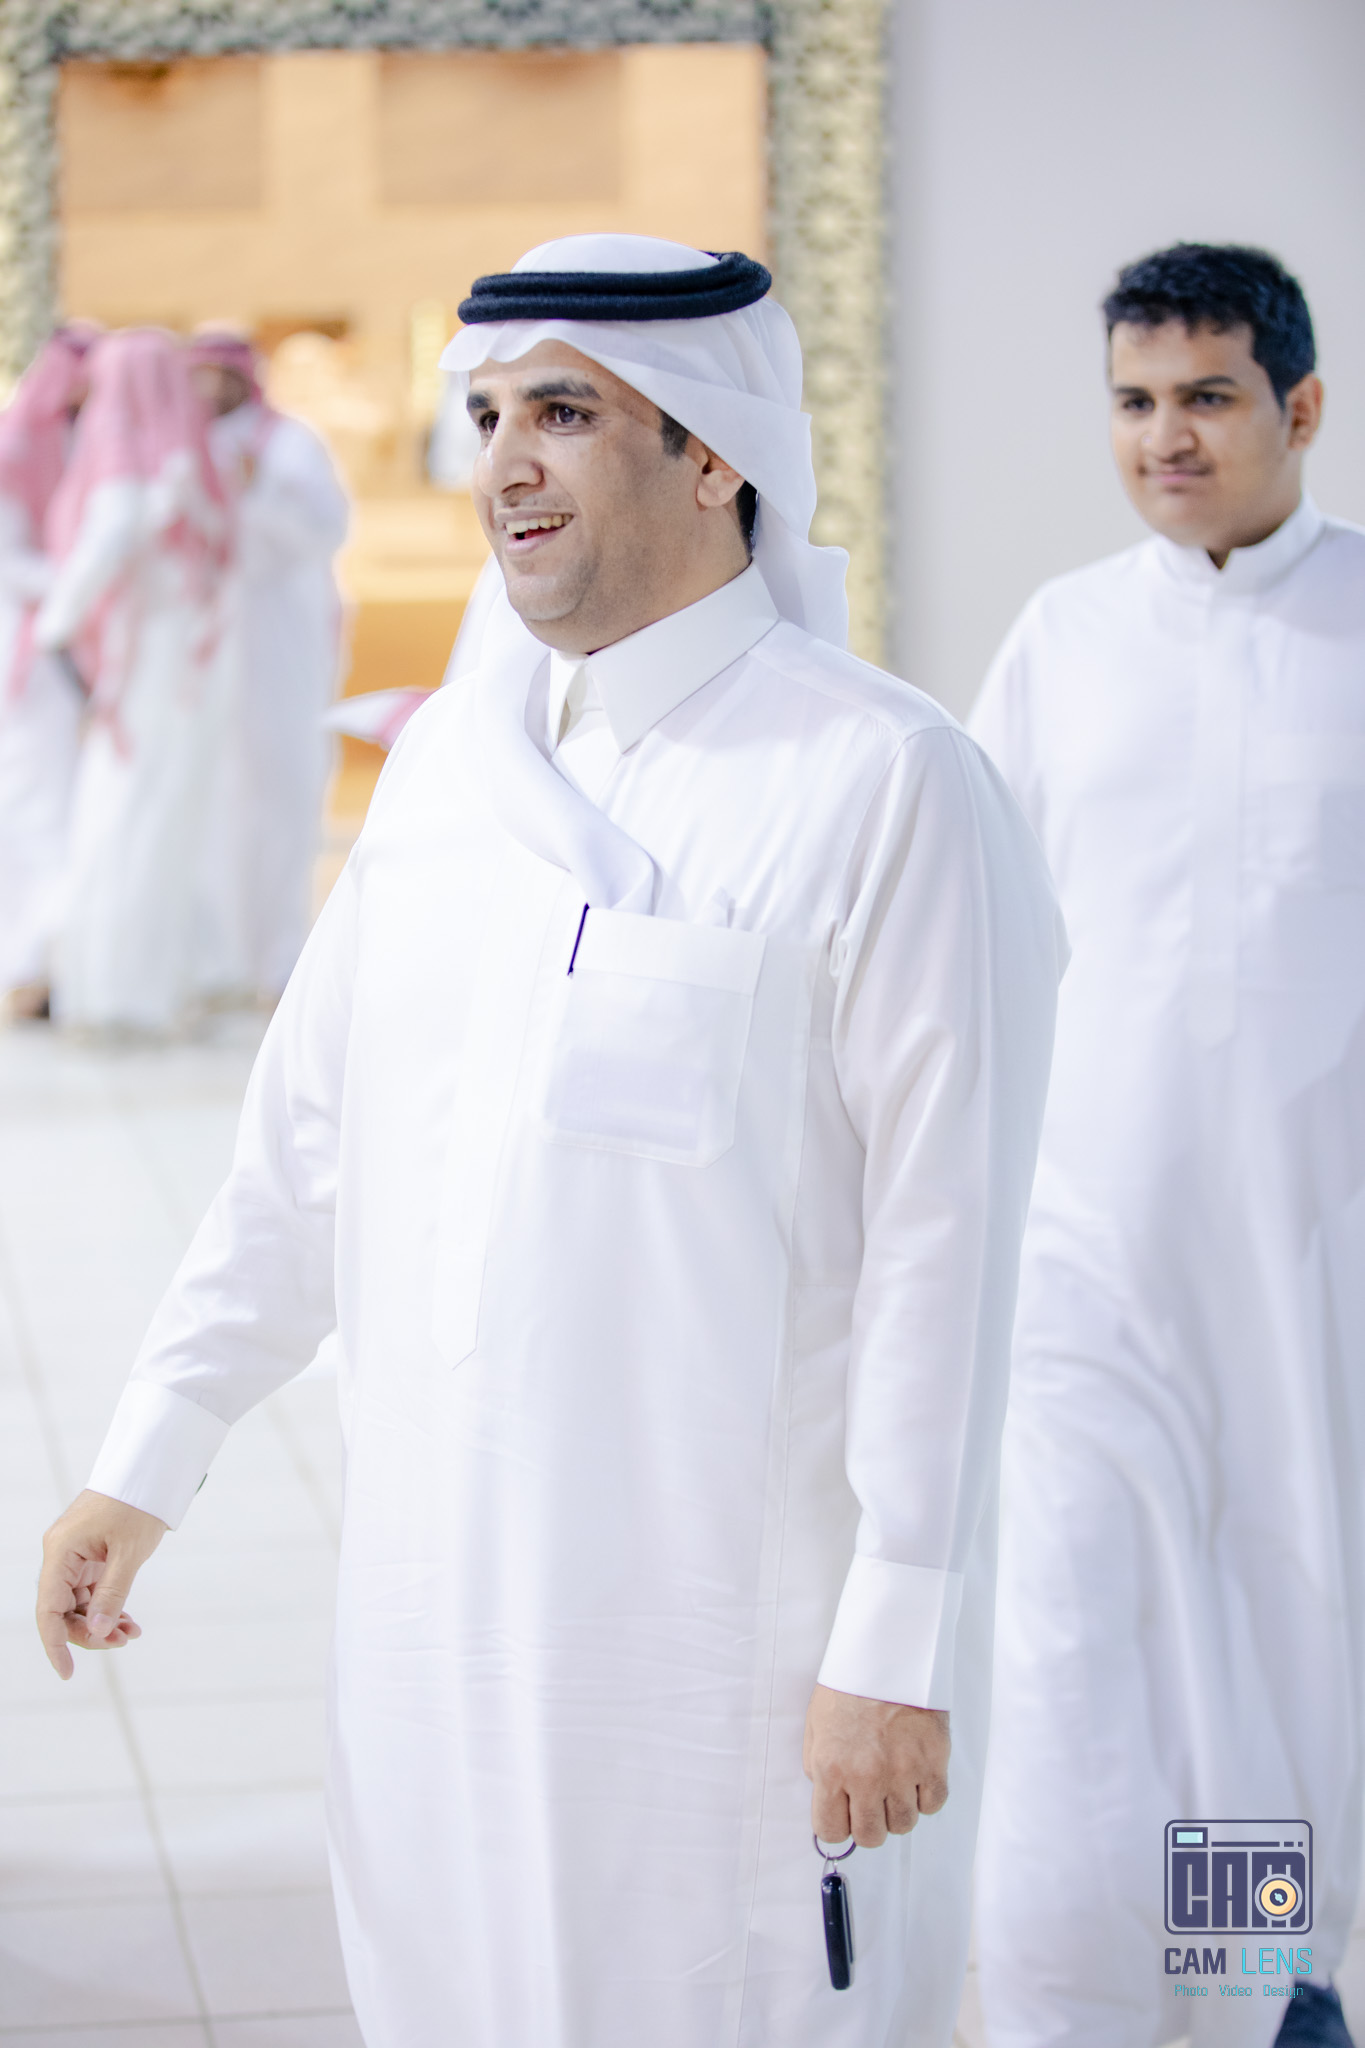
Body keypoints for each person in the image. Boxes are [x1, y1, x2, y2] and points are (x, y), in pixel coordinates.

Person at [38, 236, 1063, 2048]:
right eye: (491, 412)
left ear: (715, 450)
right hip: (430, 1636)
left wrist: (896, 1639)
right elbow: (304, 1146)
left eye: (565, 414)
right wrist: (152, 1452)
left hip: (729, 1666)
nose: (502, 460)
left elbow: (948, 1249)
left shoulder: (884, 782)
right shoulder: (452, 774)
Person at [969, 243, 1364, 2048]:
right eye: (1133, 403)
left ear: (1301, 404)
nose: (1164, 438)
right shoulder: (1062, 639)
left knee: (1281, 1612)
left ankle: (1261, 1974)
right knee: (1105, 1627)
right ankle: (1089, 1994)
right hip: (1092, 1232)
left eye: (1206, 396)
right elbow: (979, 928)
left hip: (1311, 1237)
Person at [35, 327, 230, 1036]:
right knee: (151, 814)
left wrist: (56, 624)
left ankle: (117, 993)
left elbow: (109, 539)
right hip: (172, 663)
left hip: (145, 662)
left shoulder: (132, 460)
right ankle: (133, 991)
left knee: (126, 816)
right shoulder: (179, 462)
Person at [187, 327, 349, 1004]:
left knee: (282, 791)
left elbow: (326, 528)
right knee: (212, 800)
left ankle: (278, 957)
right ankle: (216, 961)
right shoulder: (188, 441)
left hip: (282, 637)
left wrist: (259, 496)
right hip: (207, 644)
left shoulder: (289, 444)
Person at [0, 322, 99, 1018]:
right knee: (35, 806)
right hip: (28, 651)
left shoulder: (86, 441)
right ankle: (25, 968)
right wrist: (84, 582)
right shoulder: (15, 447)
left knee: (66, 808)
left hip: (77, 644)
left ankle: (50, 962)